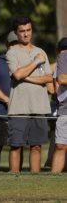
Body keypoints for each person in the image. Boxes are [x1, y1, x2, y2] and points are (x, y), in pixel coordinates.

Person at [6, 16, 52, 173]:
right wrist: (35, 62)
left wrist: (24, 74)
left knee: (37, 146)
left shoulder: (41, 52)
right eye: (22, 31)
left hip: (39, 106)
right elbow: (16, 76)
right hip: (19, 107)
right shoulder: (12, 53)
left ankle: (35, 178)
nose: (26, 34)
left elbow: (48, 78)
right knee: (16, 146)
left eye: (28, 30)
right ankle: (13, 179)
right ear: (16, 33)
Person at [0, 31, 18, 171]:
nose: (14, 47)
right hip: (0, 111)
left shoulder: (26, 61)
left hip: (20, 111)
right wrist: (7, 100)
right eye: (12, 44)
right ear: (7, 45)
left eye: (17, 44)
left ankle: (16, 175)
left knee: (17, 145)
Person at [51, 37, 67, 173]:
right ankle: (53, 180)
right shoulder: (62, 58)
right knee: (61, 145)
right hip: (65, 109)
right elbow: (61, 79)